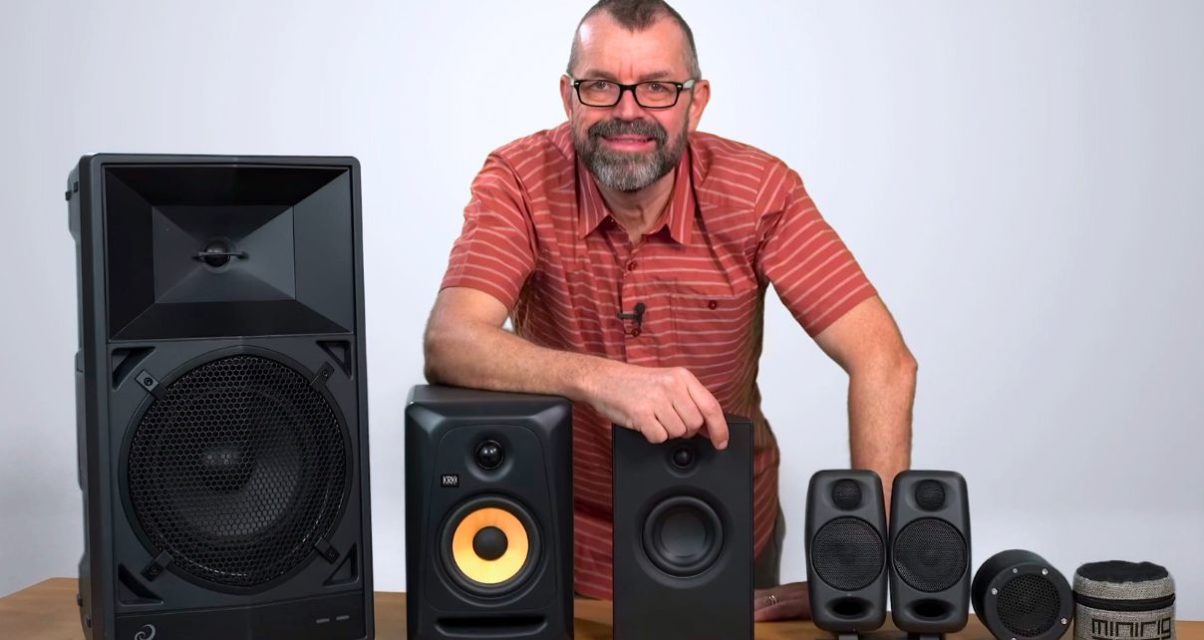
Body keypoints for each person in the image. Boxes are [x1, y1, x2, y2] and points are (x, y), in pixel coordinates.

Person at [423, 0, 916, 621]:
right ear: (568, 96)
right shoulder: (517, 179)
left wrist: (868, 570)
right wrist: (603, 380)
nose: (628, 111)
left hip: (728, 524)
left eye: (658, 87)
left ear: (697, 100)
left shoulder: (762, 190)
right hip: (565, 538)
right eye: (601, 85)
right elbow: (451, 341)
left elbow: (883, 360)